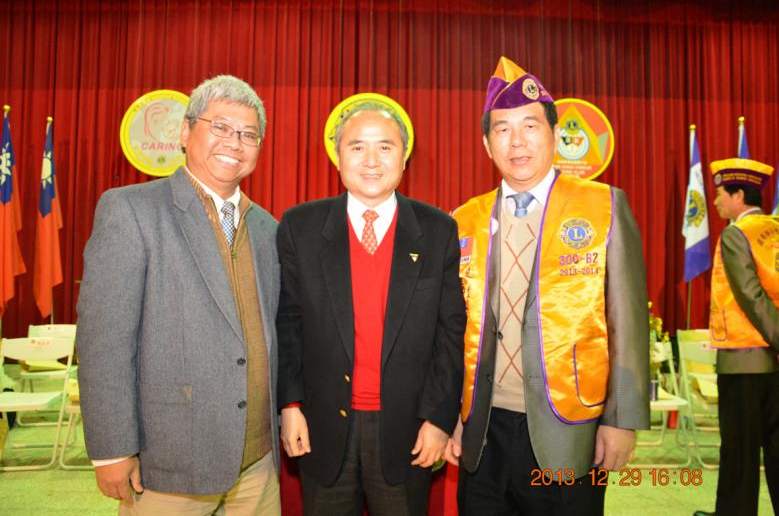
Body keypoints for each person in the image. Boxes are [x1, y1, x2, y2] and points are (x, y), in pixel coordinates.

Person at [445, 56, 649, 516]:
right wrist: (450, 417)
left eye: (530, 126)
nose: (516, 141)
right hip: (483, 428)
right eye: (502, 129)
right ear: (486, 144)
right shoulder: (464, 218)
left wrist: (621, 420)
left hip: (570, 426)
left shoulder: (603, 206)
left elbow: (628, 321)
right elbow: (452, 329)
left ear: (555, 134)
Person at [77, 74, 281, 515]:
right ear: (186, 132)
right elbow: (104, 341)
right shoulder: (130, 210)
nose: (234, 143)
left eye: (248, 134)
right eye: (220, 127)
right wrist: (111, 450)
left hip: (258, 463)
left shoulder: (268, 228)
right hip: (170, 462)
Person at [276, 99, 466, 515]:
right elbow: (288, 324)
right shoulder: (299, 227)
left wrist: (438, 418)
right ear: (337, 156)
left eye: (385, 147)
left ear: (404, 156)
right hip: (322, 428)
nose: (371, 161)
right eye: (357, 147)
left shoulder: (437, 230)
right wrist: (289, 406)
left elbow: (451, 333)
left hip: (408, 430)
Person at [693, 158, 778, 516]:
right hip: (773, 363)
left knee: (739, 450)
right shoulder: (775, 228)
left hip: (744, 359)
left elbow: (750, 294)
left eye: (720, 194)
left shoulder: (735, 234)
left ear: (738, 195)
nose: (715, 202)